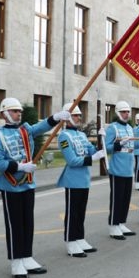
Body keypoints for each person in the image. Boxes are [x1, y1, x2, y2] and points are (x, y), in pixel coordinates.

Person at [0, 97, 72, 278]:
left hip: (27, 183)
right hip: (11, 185)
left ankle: (27, 256)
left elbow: (41, 127)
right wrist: (19, 167)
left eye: (19, 111)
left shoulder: (25, 129)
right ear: (4, 114)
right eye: (14, 111)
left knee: (28, 223)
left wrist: (56, 117)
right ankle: (16, 261)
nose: (19, 114)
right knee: (15, 225)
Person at [56, 103, 105, 257]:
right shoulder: (64, 136)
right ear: (68, 117)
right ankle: (71, 242)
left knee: (81, 211)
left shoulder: (82, 135)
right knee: (72, 212)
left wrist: (101, 139)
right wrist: (92, 158)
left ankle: (79, 238)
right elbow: (72, 160)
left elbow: (92, 151)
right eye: (75, 115)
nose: (78, 117)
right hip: (73, 180)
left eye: (79, 115)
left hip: (84, 179)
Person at [105, 101, 137, 239]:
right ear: (118, 112)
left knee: (126, 199)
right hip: (117, 169)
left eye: (128, 112)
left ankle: (121, 223)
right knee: (117, 199)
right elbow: (106, 147)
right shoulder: (112, 128)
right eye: (123, 112)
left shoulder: (130, 128)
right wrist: (117, 145)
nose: (126, 114)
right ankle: (113, 225)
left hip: (129, 168)